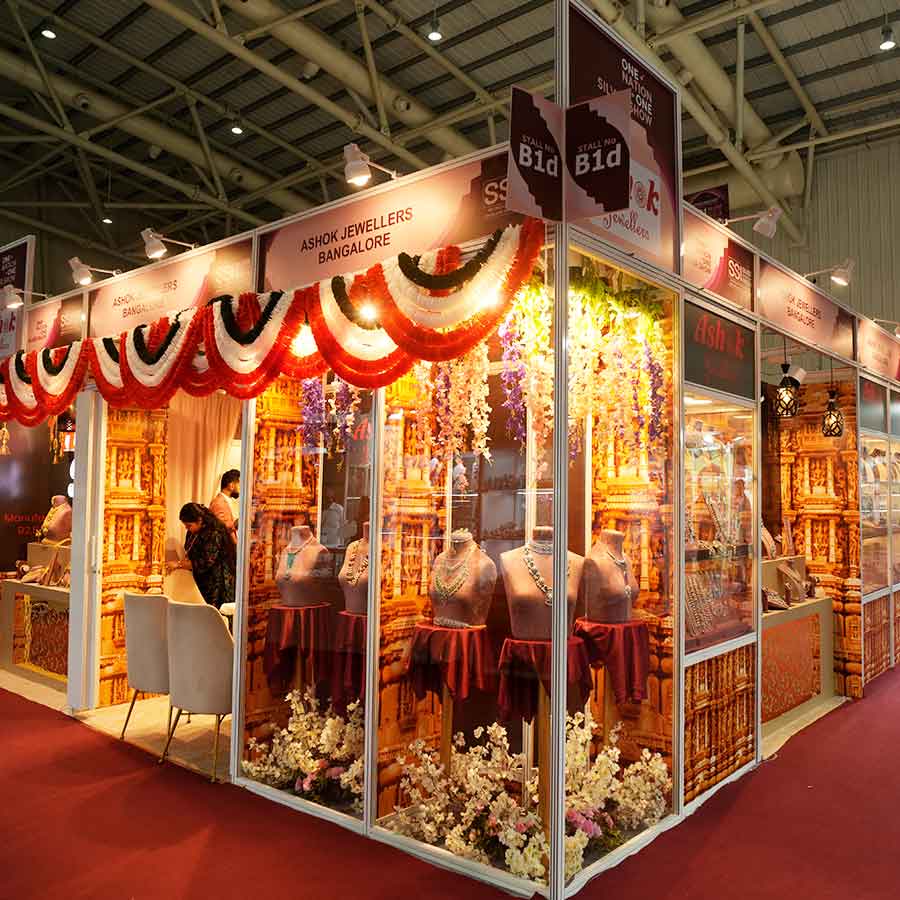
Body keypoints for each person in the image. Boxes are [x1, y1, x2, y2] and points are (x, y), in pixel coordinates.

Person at [176, 502, 236, 609]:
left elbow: (206, 562)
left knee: (213, 612)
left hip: (217, 582)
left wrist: (178, 565)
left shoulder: (215, 532)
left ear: (199, 520)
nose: (187, 528)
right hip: (203, 580)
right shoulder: (192, 532)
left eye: (189, 525)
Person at [209, 469, 240, 544]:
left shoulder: (228, 501)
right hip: (225, 548)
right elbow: (219, 528)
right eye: (240, 484)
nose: (241, 488)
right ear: (231, 485)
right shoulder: (218, 503)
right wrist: (238, 522)